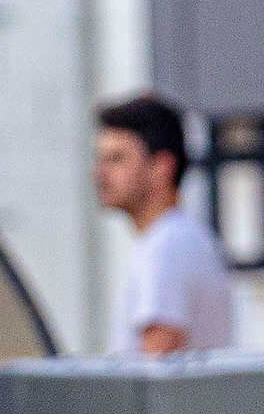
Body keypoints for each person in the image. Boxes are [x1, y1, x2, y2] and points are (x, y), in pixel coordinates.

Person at [94, 93, 234, 356]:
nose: (99, 174)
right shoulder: (183, 238)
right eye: (100, 159)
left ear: (161, 166)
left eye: (116, 159)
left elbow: (158, 377)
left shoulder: (164, 247)